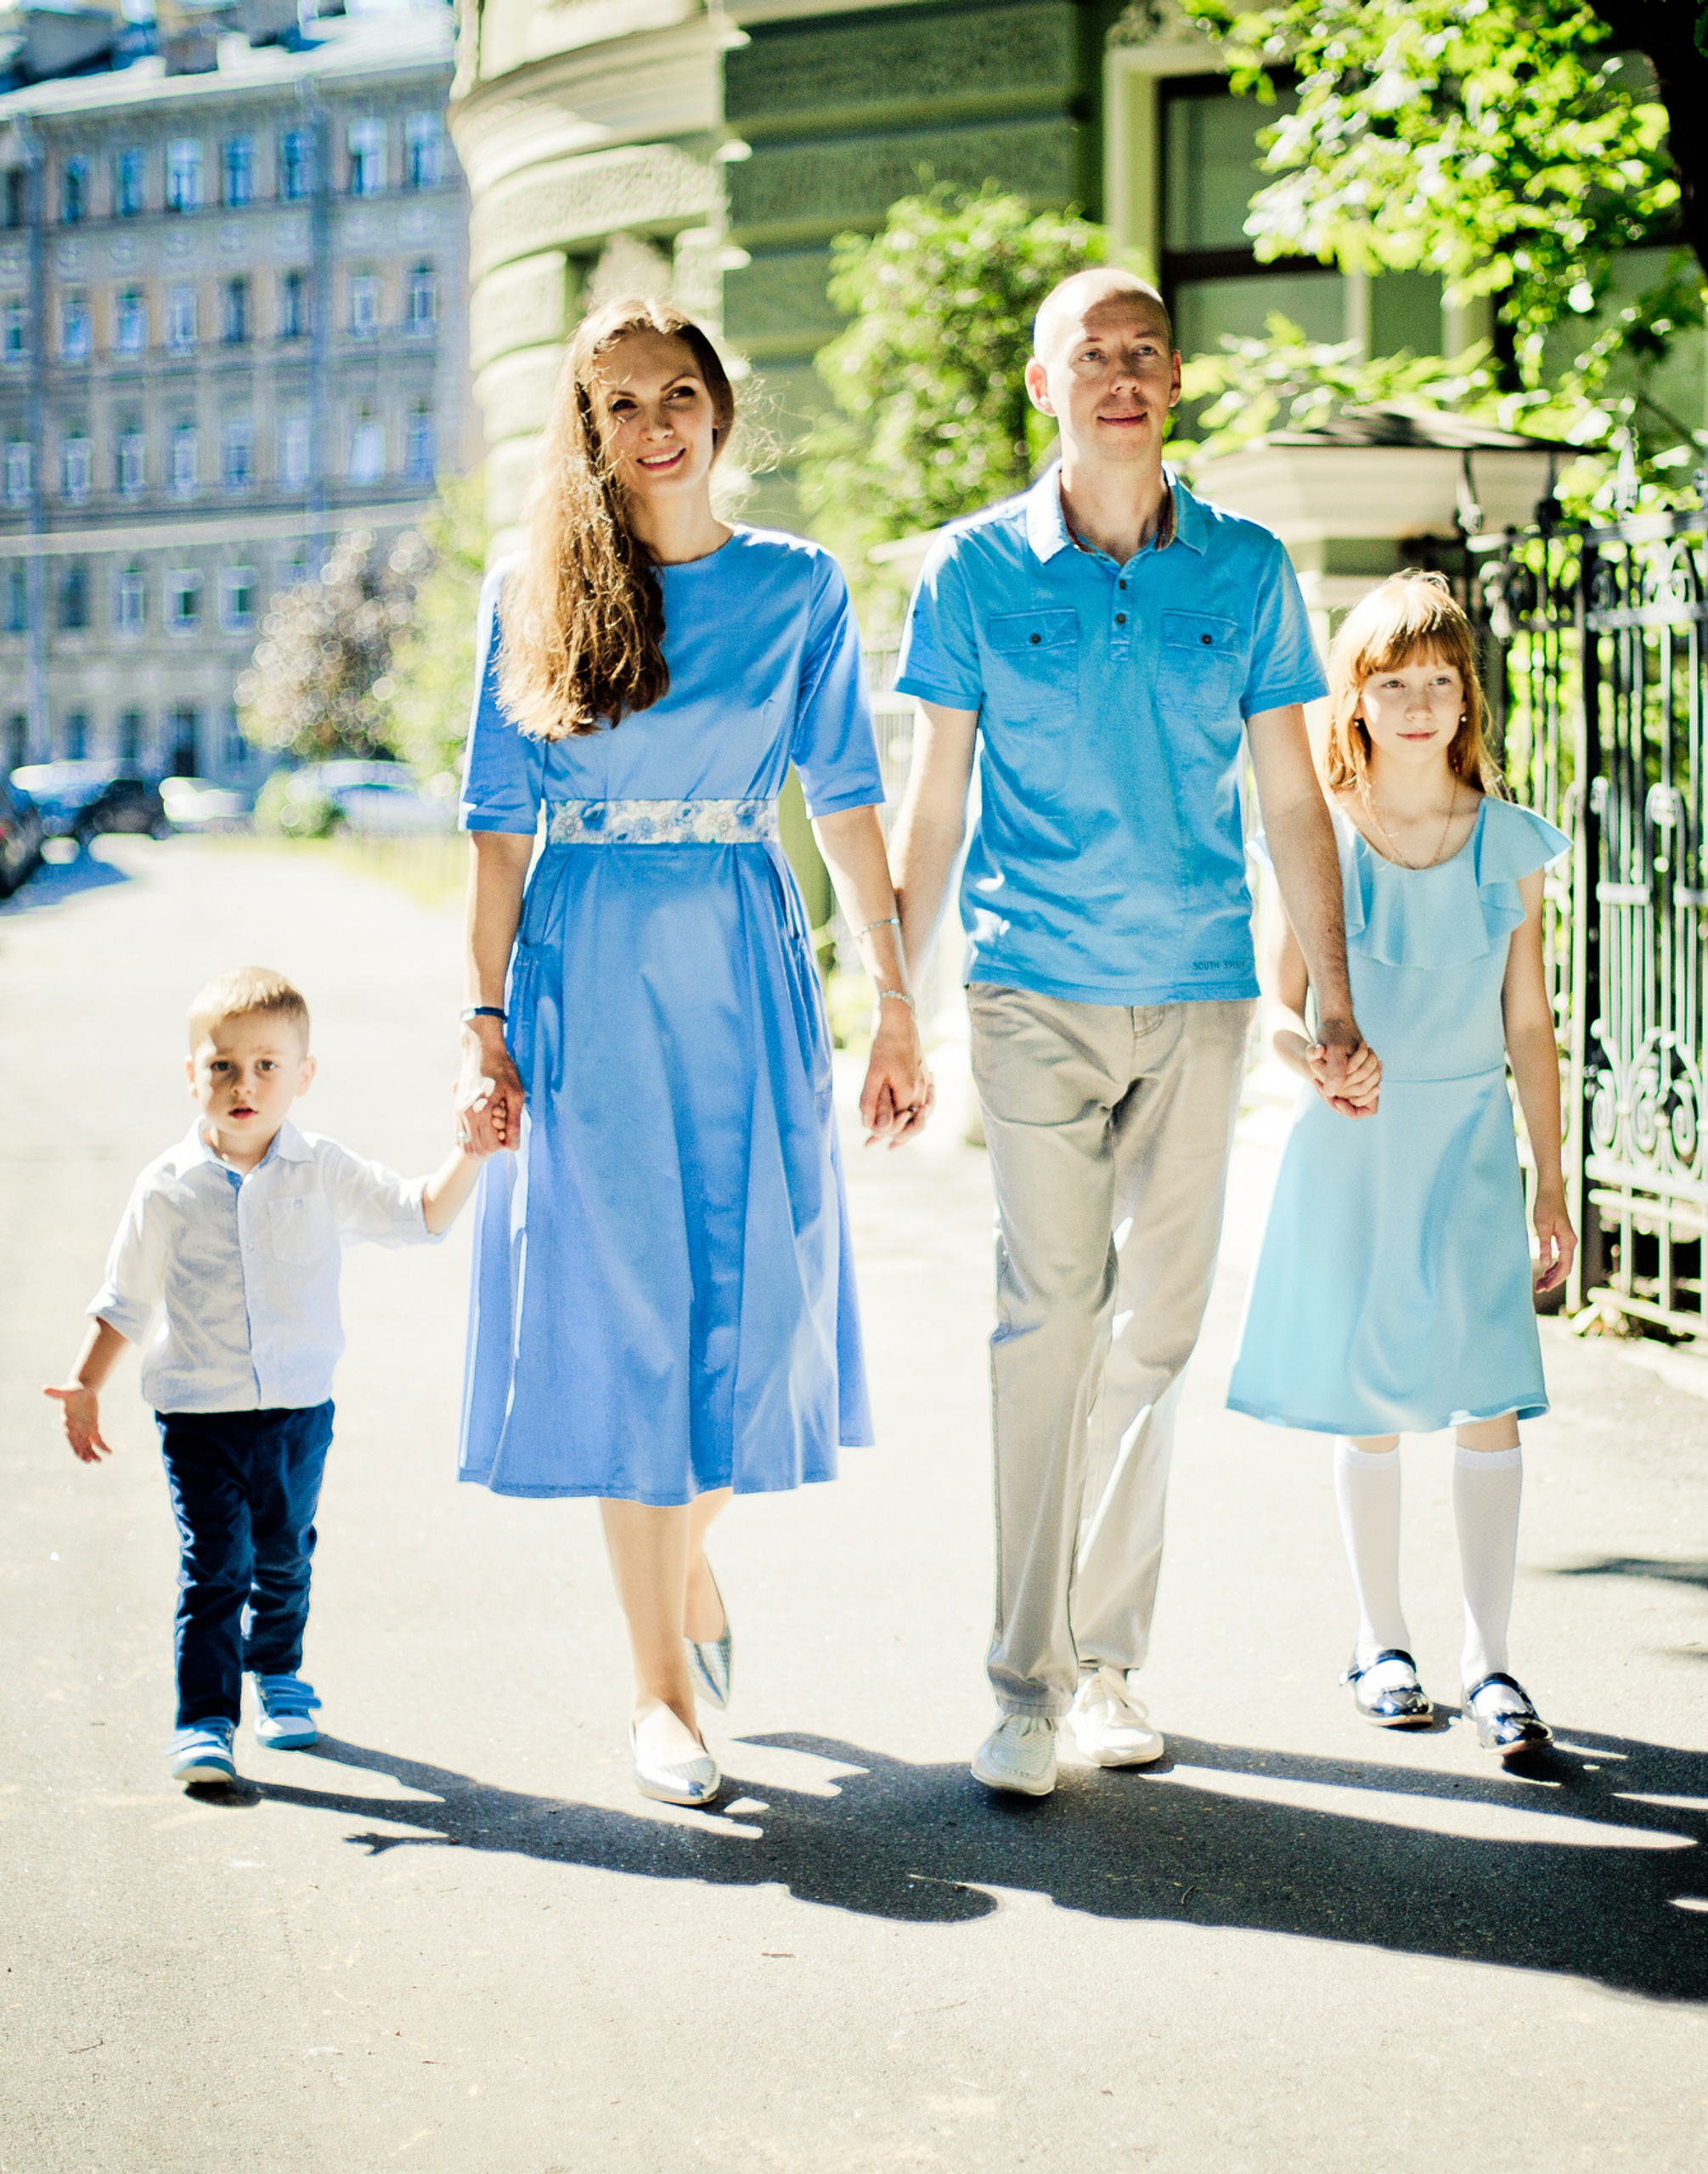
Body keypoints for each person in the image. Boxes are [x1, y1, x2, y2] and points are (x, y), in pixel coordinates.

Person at [888, 267, 1375, 1798]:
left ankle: (1108, 1665)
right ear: (1044, 387)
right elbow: (936, 805)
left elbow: (1295, 797)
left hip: (1204, 993)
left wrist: (1331, 1000)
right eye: (1089, 355)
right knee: (1050, 1323)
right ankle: (1024, 1684)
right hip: (1031, 988)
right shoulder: (971, 573)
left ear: (1174, 382)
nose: (1119, 375)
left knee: (1156, 1331)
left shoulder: (1243, 568)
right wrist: (892, 1012)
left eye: (1143, 353)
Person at [455, 296, 927, 1811]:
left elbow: (847, 801)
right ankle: (659, 1696)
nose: (652, 422)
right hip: (585, 963)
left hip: (743, 952)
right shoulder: (534, 585)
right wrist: (482, 1026)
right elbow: (495, 831)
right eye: (618, 403)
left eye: (677, 392)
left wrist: (896, 998)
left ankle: (686, 1565)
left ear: (722, 411)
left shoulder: (799, 587)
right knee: (626, 1309)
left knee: (753, 1301)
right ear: (585, 432)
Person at [1226, 573, 1575, 1754]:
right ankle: (1382, 1640)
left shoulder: (1508, 842)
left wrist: (1553, 1184)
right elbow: (1273, 1009)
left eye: (1441, 681)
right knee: (1368, 1402)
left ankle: (1495, 1662)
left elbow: (1531, 1025)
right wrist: (1315, 1064)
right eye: (1393, 683)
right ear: (1357, 701)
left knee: (1492, 1401)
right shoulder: (1319, 838)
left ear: (1466, 698)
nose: (1420, 704)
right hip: (1358, 1148)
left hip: (1472, 1149)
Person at [43, 966, 488, 1787]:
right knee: (216, 1565)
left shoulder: (322, 1170)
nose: (244, 1084)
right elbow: (125, 1301)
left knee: (283, 1556)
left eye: (267, 1066)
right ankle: (205, 1721)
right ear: (192, 1076)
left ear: (303, 1075)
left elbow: (420, 1214)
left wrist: (469, 1154)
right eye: (222, 1066)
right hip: (198, 1417)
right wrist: (85, 1382)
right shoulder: (165, 1189)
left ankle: (280, 1675)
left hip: (296, 1415)